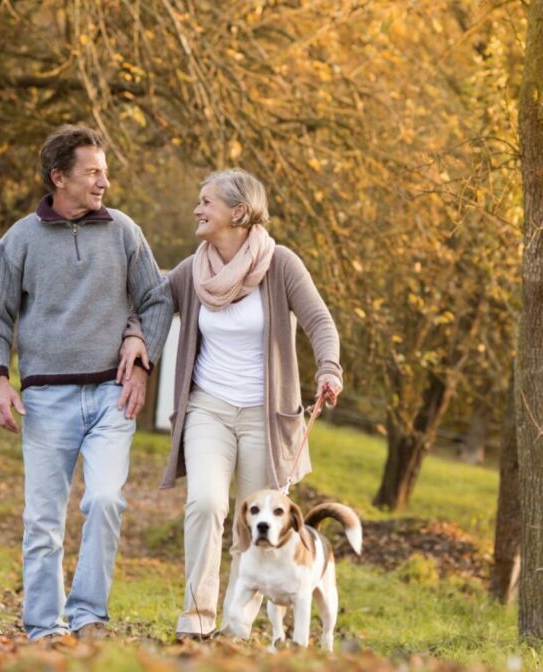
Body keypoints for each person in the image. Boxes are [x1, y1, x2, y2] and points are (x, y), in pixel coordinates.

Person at [0, 125, 173, 640]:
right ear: (58, 177)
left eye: (105, 171)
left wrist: (142, 354)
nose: (104, 181)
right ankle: (43, 627)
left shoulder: (125, 231)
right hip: (44, 400)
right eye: (93, 172)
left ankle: (88, 617)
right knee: (43, 520)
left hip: (112, 394)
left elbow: (157, 299)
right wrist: (0, 382)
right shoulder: (18, 240)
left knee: (106, 500)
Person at [158, 168, 343, 640]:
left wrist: (328, 367)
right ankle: (197, 619)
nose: (197, 210)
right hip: (208, 408)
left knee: (256, 521)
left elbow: (320, 321)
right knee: (205, 502)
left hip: (266, 414)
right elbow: (154, 305)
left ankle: (236, 621)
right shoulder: (193, 270)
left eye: (206, 202)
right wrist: (139, 340)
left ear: (237, 212)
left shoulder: (280, 264)